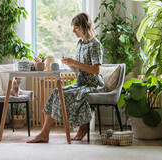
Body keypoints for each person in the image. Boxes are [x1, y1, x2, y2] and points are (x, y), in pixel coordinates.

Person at [27, 12, 105, 143]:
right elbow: (80, 70)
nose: (73, 30)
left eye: (76, 27)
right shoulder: (80, 44)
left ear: (84, 27)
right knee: (56, 92)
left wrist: (74, 62)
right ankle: (44, 133)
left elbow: (96, 70)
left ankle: (82, 127)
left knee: (65, 96)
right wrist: (70, 65)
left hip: (94, 85)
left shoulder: (95, 44)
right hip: (81, 83)